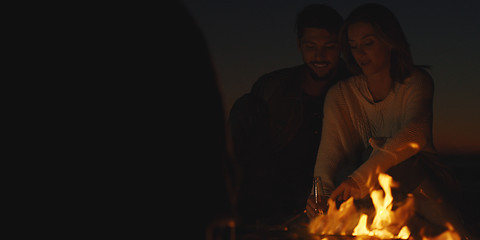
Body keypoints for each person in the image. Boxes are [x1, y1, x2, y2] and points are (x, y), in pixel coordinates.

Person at [305, 3, 474, 239]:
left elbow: (415, 134)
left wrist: (359, 179)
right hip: (372, 193)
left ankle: (460, 233)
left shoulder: (415, 82)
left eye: (368, 43)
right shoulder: (340, 95)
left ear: (390, 41)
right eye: (353, 47)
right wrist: (320, 195)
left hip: (424, 184)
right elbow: (329, 155)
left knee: (393, 157)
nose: (360, 53)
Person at [229, 4, 350, 226]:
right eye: (310, 46)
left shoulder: (355, 88)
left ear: (341, 46)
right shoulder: (273, 87)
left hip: (331, 193)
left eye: (329, 46)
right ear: (299, 46)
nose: (319, 56)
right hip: (271, 192)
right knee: (245, 107)